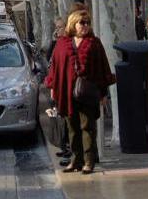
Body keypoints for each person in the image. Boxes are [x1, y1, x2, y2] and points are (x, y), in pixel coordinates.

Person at [45, 10, 115, 175]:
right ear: (73, 24)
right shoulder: (62, 44)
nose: (85, 26)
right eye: (82, 23)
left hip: (88, 93)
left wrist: (103, 93)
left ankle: (88, 161)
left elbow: (102, 69)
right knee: (72, 128)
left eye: (87, 23)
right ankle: (75, 161)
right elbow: (55, 69)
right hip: (67, 92)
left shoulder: (94, 43)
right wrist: (53, 90)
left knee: (87, 127)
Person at [44, 18, 72, 166]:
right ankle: (64, 145)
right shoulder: (58, 43)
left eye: (60, 27)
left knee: (66, 121)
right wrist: (54, 42)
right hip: (57, 87)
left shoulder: (70, 44)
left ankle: (69, 148)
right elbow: (49, 58)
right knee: (60, 118)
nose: (57, 30)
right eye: (56, 27)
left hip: (65, 88)